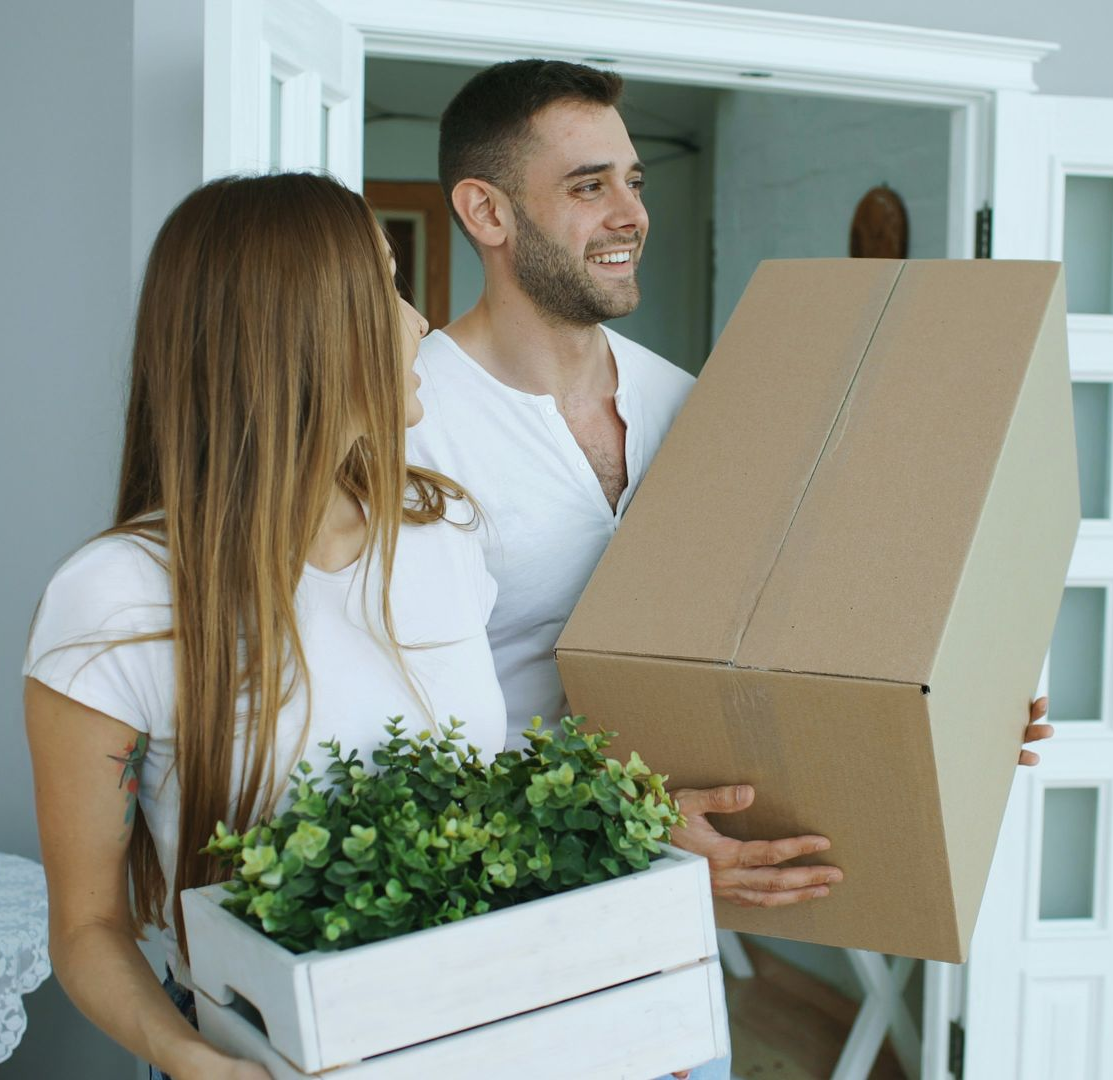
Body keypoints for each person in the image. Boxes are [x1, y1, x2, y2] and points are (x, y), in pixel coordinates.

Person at [407, 58, 1053, 923]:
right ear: (486, 211)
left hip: (679, 899)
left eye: (634, 182)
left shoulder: (692, 404)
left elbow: (774, 635)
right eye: (588, 186)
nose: (630, 215)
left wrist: (953, 705)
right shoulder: (410, 423)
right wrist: (624, 827)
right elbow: (382, 729)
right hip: (491, 904)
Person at [23, 173, 507, 1079]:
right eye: (388, 290)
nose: (420, 324)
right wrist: (189, 1057)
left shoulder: (443, 538)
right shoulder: (115, 601)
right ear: (303, 331)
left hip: (473, 1033)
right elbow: (88, 926)